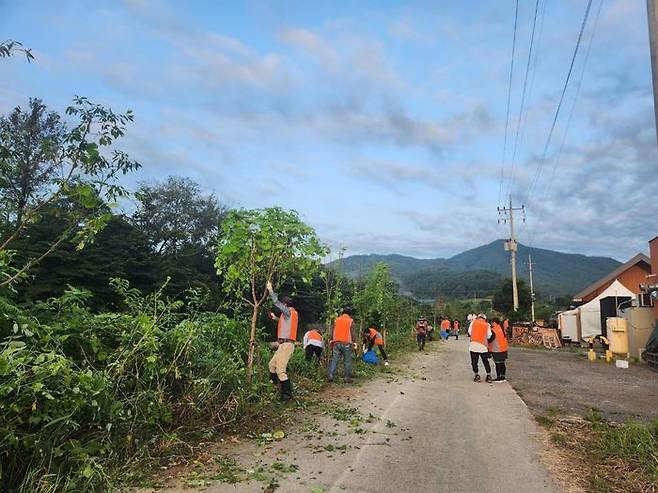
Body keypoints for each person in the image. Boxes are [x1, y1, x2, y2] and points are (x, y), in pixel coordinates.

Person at [266, 281, 298, 401]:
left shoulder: (289, 312)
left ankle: (287, 395)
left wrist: (270, 289)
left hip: (287, 345)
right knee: (272, 365)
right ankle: (275, 387)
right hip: (283, 345)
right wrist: (275, 318)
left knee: (280, 370)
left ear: (286, 305)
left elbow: (276, 302)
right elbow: (285, 325)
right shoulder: (289, 315)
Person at [328, 307, 358, 382]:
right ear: (350, 314)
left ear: (342, 312)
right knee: (347, 361)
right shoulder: (351, 321)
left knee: (335, 359)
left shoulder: (336, 320)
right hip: (347, 343)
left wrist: (331, 339)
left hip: (336, 342)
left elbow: (332, 331)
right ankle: (347, 378)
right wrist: (354, 341)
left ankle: (331, 375)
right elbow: (353, 333)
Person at [468, 313, 494, 383]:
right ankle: (488, 375)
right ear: (484, 318)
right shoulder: (487, 324)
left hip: (473, 346)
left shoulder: (473, 322)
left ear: (478, 317)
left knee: (474, 362)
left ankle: (477, 375)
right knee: (485, 361)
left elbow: (469, 332)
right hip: (483, 346)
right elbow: (489, 336)